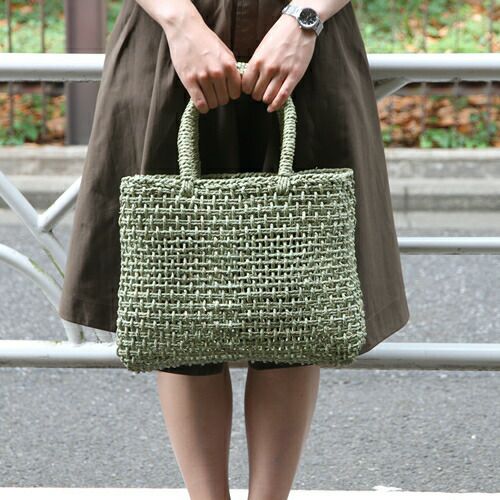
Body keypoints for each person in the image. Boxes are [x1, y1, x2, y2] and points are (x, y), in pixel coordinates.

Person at [58, 1, 410, 499]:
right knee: (177, 299)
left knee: (296, 297)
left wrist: (305, 18)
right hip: (170, 40)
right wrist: (181, 23)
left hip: (306, 44)